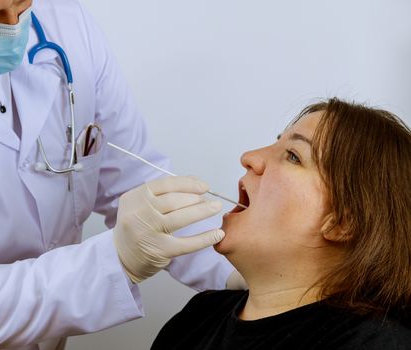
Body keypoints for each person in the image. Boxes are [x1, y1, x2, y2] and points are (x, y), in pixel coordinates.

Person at [0, 0, 244, 348]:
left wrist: (238, 270)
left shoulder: (67, 25)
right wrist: (116, 259)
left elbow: (133, 177)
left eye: (22, 4)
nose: (13, 28)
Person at [152, 98, 411, 349]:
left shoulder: (372, 342)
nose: (249, 157)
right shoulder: (198, 317)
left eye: (293, 156)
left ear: (341, 223)